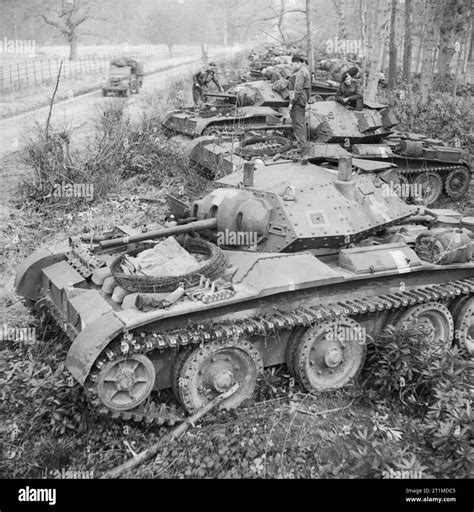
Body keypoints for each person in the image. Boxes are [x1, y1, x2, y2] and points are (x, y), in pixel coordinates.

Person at [289, 54, 311, 153]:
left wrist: (292, 102)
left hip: (298, 100)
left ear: (298, 63)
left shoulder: (301, 73)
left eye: (293, 64)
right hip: (302, 99)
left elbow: (298, 89)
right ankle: (302, 144)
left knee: (298, 123)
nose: (293, 66)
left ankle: (302, 147)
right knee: (300, 122)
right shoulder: (305, 71)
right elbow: (309, 89)